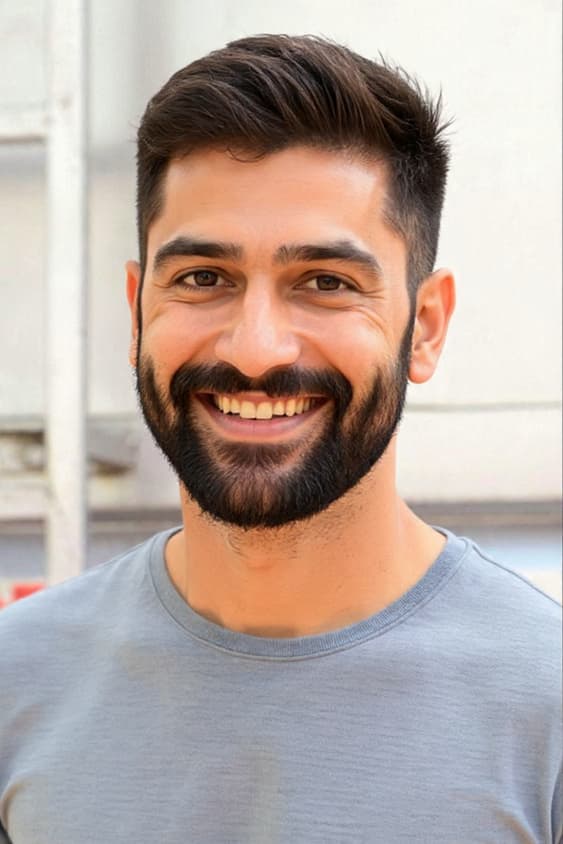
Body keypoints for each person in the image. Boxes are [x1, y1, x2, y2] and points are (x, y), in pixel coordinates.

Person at [0, 34, 560, 844]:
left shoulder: (544, 707)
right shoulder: (18, 680)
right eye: (202, 279)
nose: (254, 348)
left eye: (326, 284)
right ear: (136, 311)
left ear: (425, 327)